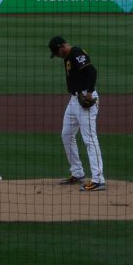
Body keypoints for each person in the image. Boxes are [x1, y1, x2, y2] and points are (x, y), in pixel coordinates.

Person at [48, 36, 105, 192]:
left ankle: (99, 179)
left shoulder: (76, 52)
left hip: (85, 98)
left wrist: (90, 93)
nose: (57, 55)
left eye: (56, 52)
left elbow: (92, 71)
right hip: (74, 101)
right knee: (66, 135)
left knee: (90, 139)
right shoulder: (67, 56)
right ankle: (77, 172)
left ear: (61, 47)